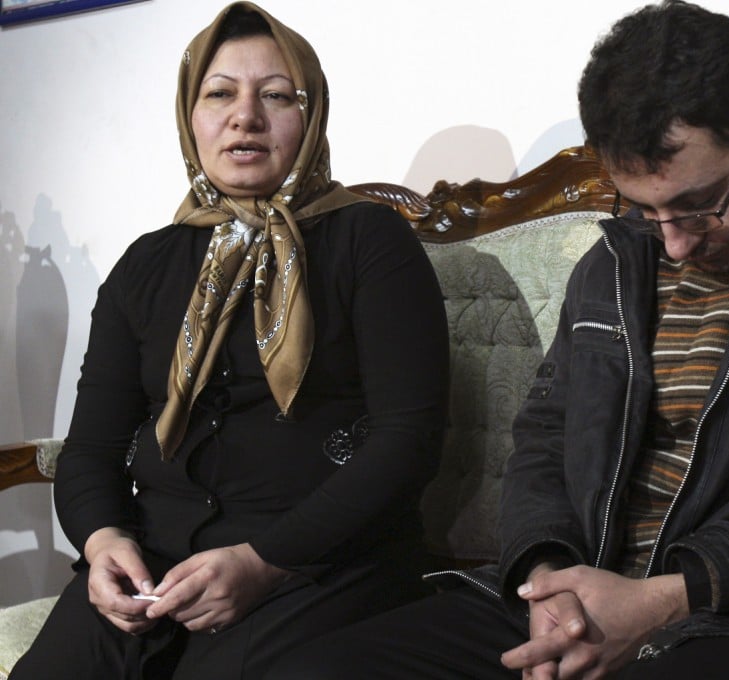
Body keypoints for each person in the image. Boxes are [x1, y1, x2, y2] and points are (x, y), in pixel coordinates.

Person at [266, 2, 729, 679]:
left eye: (699, 205)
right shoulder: (614, 260)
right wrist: (546, 577)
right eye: (642, 209)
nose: (672, 245)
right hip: (577, 594)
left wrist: (670, 597)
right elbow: (546, 439)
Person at [10, 2, 448, 678]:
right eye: (220, 94)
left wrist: (262, 561)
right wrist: (102, 544)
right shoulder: (148, 265)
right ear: (191, 115)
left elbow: (407, 439)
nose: (246, 116)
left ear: (313, 115)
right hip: (153, 563)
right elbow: (92, 446)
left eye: (276, 95)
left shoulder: (370, 242)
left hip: (318, 563)